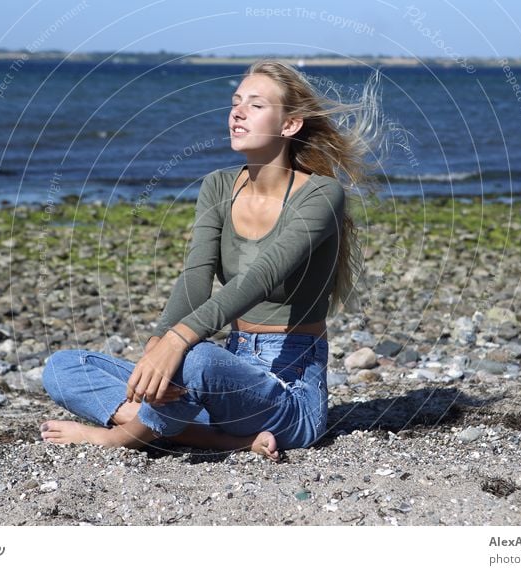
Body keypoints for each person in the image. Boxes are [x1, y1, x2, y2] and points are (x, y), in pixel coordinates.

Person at [40, 60, 381, 461]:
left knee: (195, 357)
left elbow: (261, 276)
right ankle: (227, 439)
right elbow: (195, 276)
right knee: (63, 365)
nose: (237, 112)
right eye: (236, 102)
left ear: (290, 125)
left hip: (289, 395)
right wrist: (156, 348)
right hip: (230, 376)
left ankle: (130, 434)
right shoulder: (218, 185)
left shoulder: (322, 194)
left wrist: (177, 343)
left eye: (255, 105)